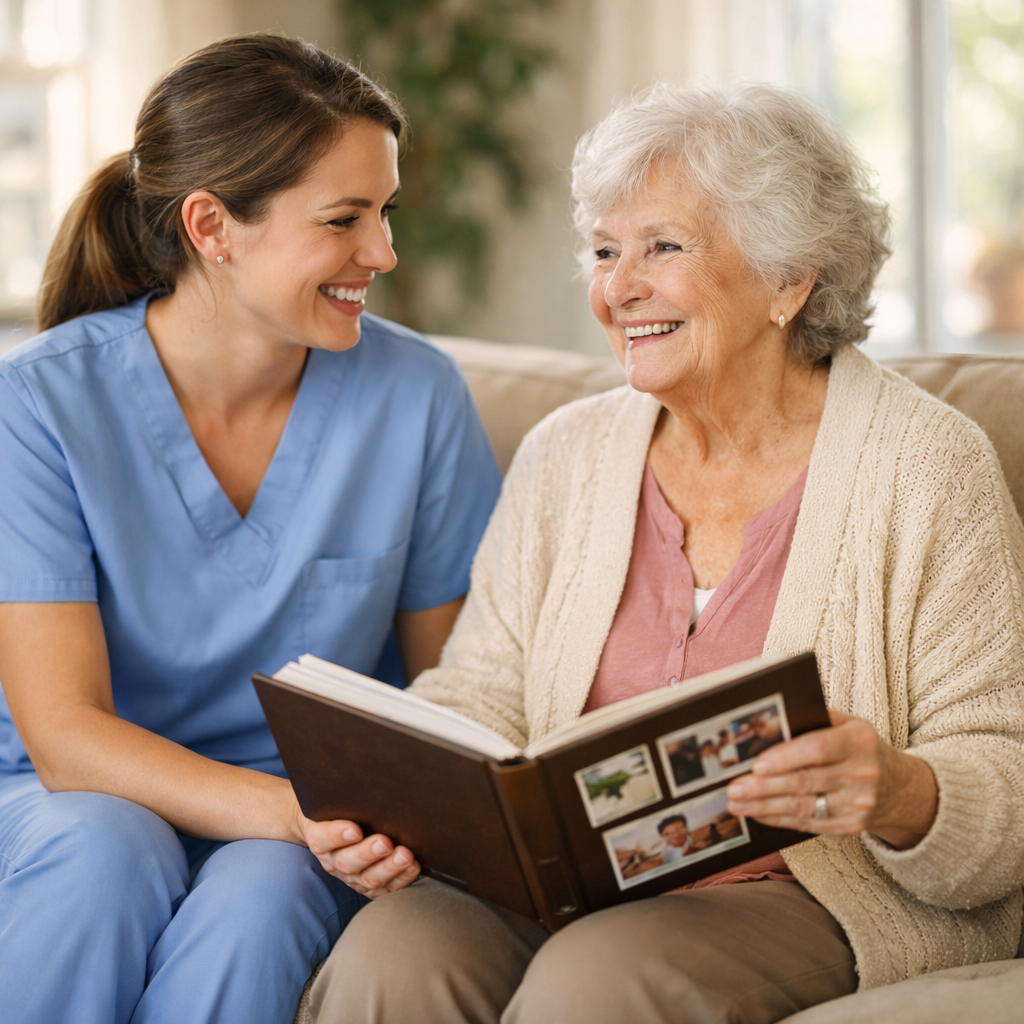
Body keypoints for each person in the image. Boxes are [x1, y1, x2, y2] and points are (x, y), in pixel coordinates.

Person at [308, 84, 1024, 1024]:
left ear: (788, 279)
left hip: (812, 890)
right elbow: (480, 690)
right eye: (606, 251)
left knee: (598, 980)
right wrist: (405, 805)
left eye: (664, 247)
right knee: (395, 951)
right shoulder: (568, 452)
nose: (619, 287)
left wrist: (895, 788)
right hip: (573, 883)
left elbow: (1005, 774)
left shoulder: (927, 466)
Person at [0, 35, 502, 1024]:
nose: (384, 255)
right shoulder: (39, 403)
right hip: (76, 801)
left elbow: (462, 690)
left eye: (385, 214)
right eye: (343, 220)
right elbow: (63, 737)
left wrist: (333, 824)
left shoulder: (418, 397)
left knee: (262, 895)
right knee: (109, 847)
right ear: (211, 226)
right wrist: (294, 814)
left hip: (304, 829)